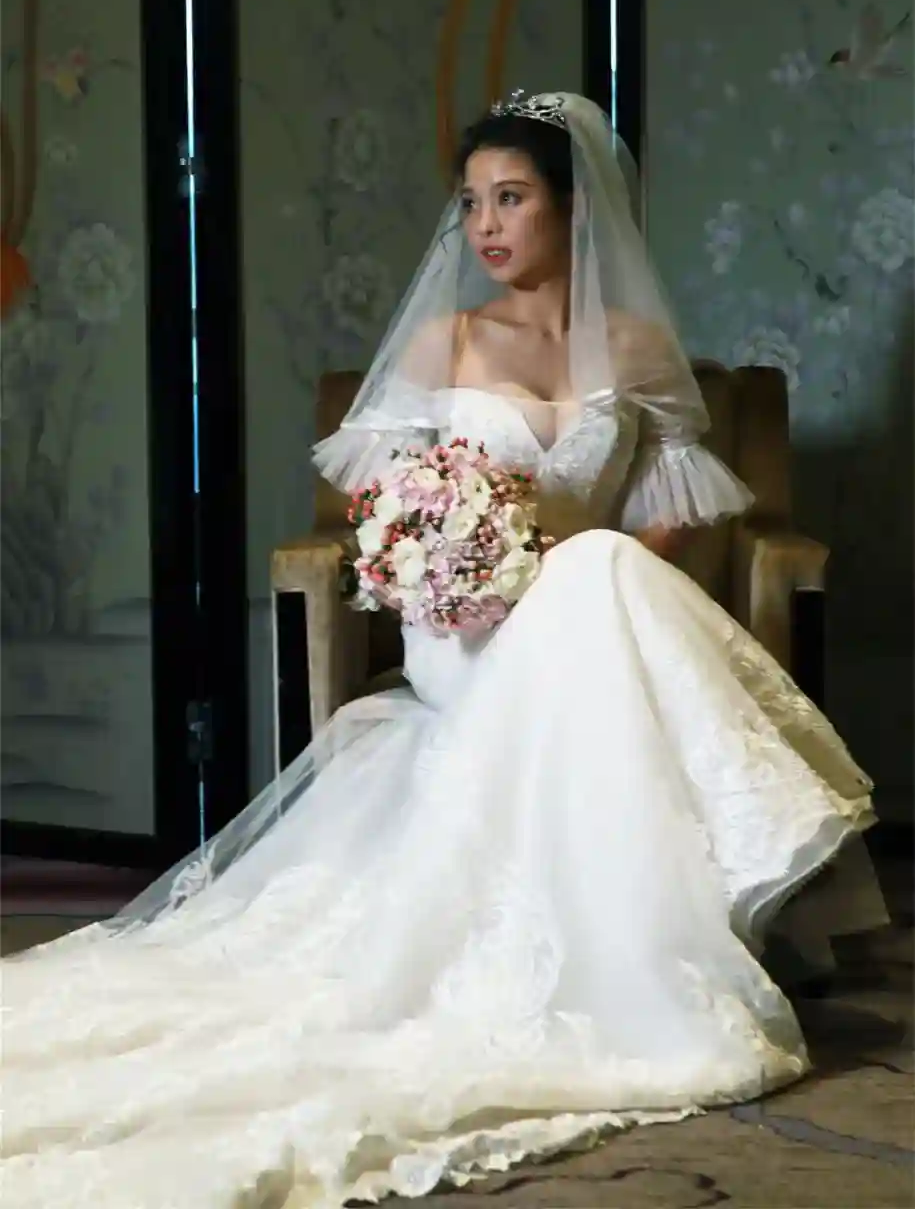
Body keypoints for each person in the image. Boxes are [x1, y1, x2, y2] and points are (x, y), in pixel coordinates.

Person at [1, 91, 887, 1208]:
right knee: (599, 575)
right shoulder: (445, 342)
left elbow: (658, 525)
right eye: (471, 203)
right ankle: (734, 880)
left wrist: (565, 565)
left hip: (589, 620)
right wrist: (451, 571)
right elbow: (381, 517)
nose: (485, 226)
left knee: (604, 569)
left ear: (575, 207)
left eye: (511, 198)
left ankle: (642, 938)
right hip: (462, 633)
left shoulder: (638, 350)